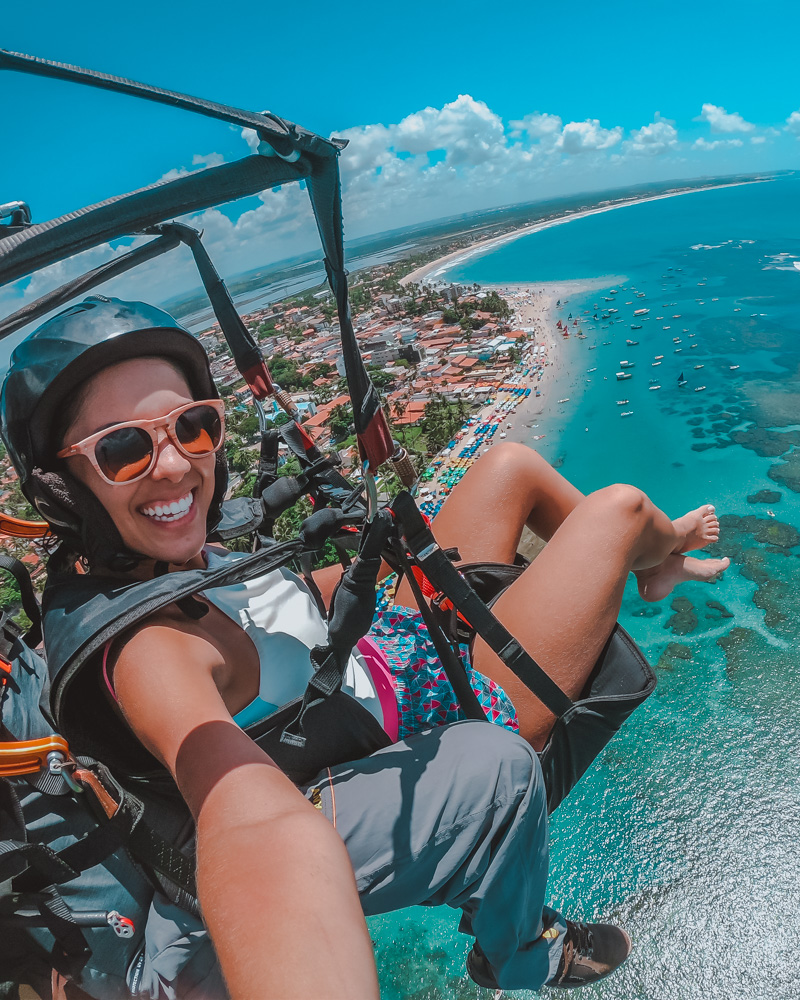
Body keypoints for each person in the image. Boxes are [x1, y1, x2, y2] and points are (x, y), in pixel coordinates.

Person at [0, 296, 729, 998]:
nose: (171, 465)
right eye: (123, 448)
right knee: (622, 509)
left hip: (380, 654)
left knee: (510, 465)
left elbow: (271, 607)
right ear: (61, 486)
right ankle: (518, 951)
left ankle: (658, 567)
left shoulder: (151, 564)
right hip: (428, 712)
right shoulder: (150, 652)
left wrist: (382, 558)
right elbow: (248, 820)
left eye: (192, 426)